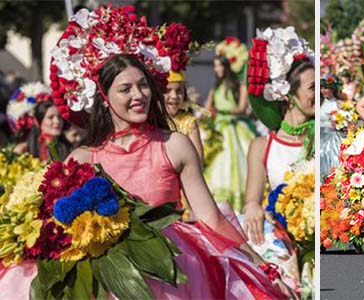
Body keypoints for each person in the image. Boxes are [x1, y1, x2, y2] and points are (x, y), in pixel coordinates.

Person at [0, 9, 291, 297]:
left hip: (172, 271)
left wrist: (261, 267)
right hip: (108, 282)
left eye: (143, 85)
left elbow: (210, 218)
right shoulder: (81, 159)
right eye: (125, 89)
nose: (138, 96)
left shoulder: (173, 145)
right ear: (104, 99)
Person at [242, 27, 316, 293]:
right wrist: (252, 207)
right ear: (288, 96)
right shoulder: (262, 146)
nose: (318, 94)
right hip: (282, 238)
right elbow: (251, 199)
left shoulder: (320, 137)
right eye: (312, 88)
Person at [206, 39, 258, 213]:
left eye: (220, 66)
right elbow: (207, 107)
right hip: (218, 126)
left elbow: (242, 107)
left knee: (238, 159)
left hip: (235, 126)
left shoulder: (238, 85)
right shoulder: (216, 86)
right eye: (215, 66)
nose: (217, 70)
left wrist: (223, 111)